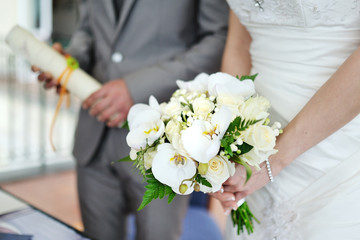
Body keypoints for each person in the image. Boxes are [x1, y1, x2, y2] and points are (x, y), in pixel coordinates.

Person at [33, 0, 229, 239]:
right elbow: (88, 29)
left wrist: (137, 89)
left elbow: (219, 40)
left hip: (165, 144)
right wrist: (70, 61)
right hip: (95, 138)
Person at [211, 1, 360, 239]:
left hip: (340, 154)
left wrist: (274, 159)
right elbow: (240, 43)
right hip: (252, 158)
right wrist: (227, 145)